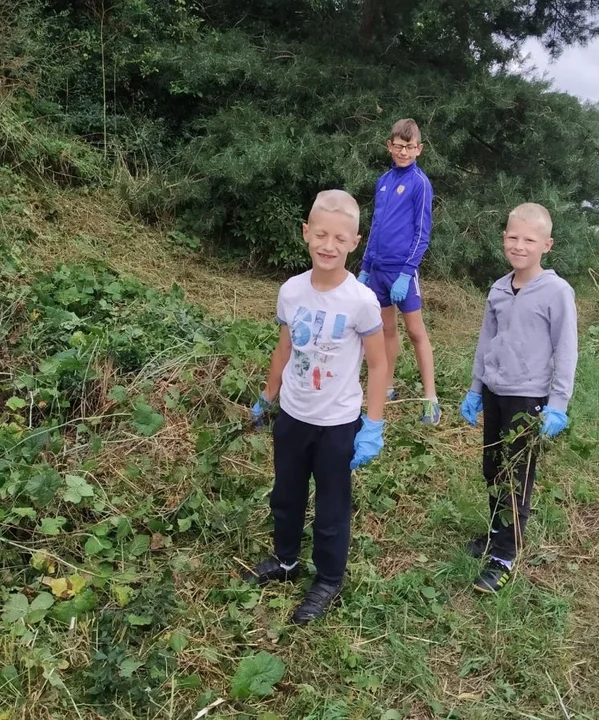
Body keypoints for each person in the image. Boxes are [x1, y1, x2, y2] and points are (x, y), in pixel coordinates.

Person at [245, 189, 388, 624]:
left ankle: (328, 578)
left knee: (331, 507)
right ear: (306, 233)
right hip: (292, 415)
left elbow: (379, 365)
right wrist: (267, 398)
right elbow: (284, 348)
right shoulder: (291, 291)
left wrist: (373, 424)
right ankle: (286, 559)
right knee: (285, 495)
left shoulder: (361, 300)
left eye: (339, 239)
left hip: (337, 424)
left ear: (354, 242)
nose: (329, 245)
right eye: (321, 235)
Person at [459, 203, 578, 593]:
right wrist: (476, 389)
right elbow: (484, 342)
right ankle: (496, 535)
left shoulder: (556, 292)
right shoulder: (497, 288)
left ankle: (504, 556)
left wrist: (557, 405)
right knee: (493, 468)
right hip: (495, 393)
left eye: (530, 239)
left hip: (529, 401)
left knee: (516, 477)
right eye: (513, 237)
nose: (519, 245)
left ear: (547, 244)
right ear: (503, 239)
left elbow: (566, 350)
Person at [357, 118, 440, 425]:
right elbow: (376, 227)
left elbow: (422, 232)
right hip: (377, 270)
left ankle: (431, 398)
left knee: (416, 332)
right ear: (388, 146)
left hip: (402, 271)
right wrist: (365, 268)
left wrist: (407, 272)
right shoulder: (383, 181)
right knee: (385, 330)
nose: (403, 152)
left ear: (418, 149)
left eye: (409, 147)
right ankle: (387, 385)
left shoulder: (419, 183)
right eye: (397, 146)